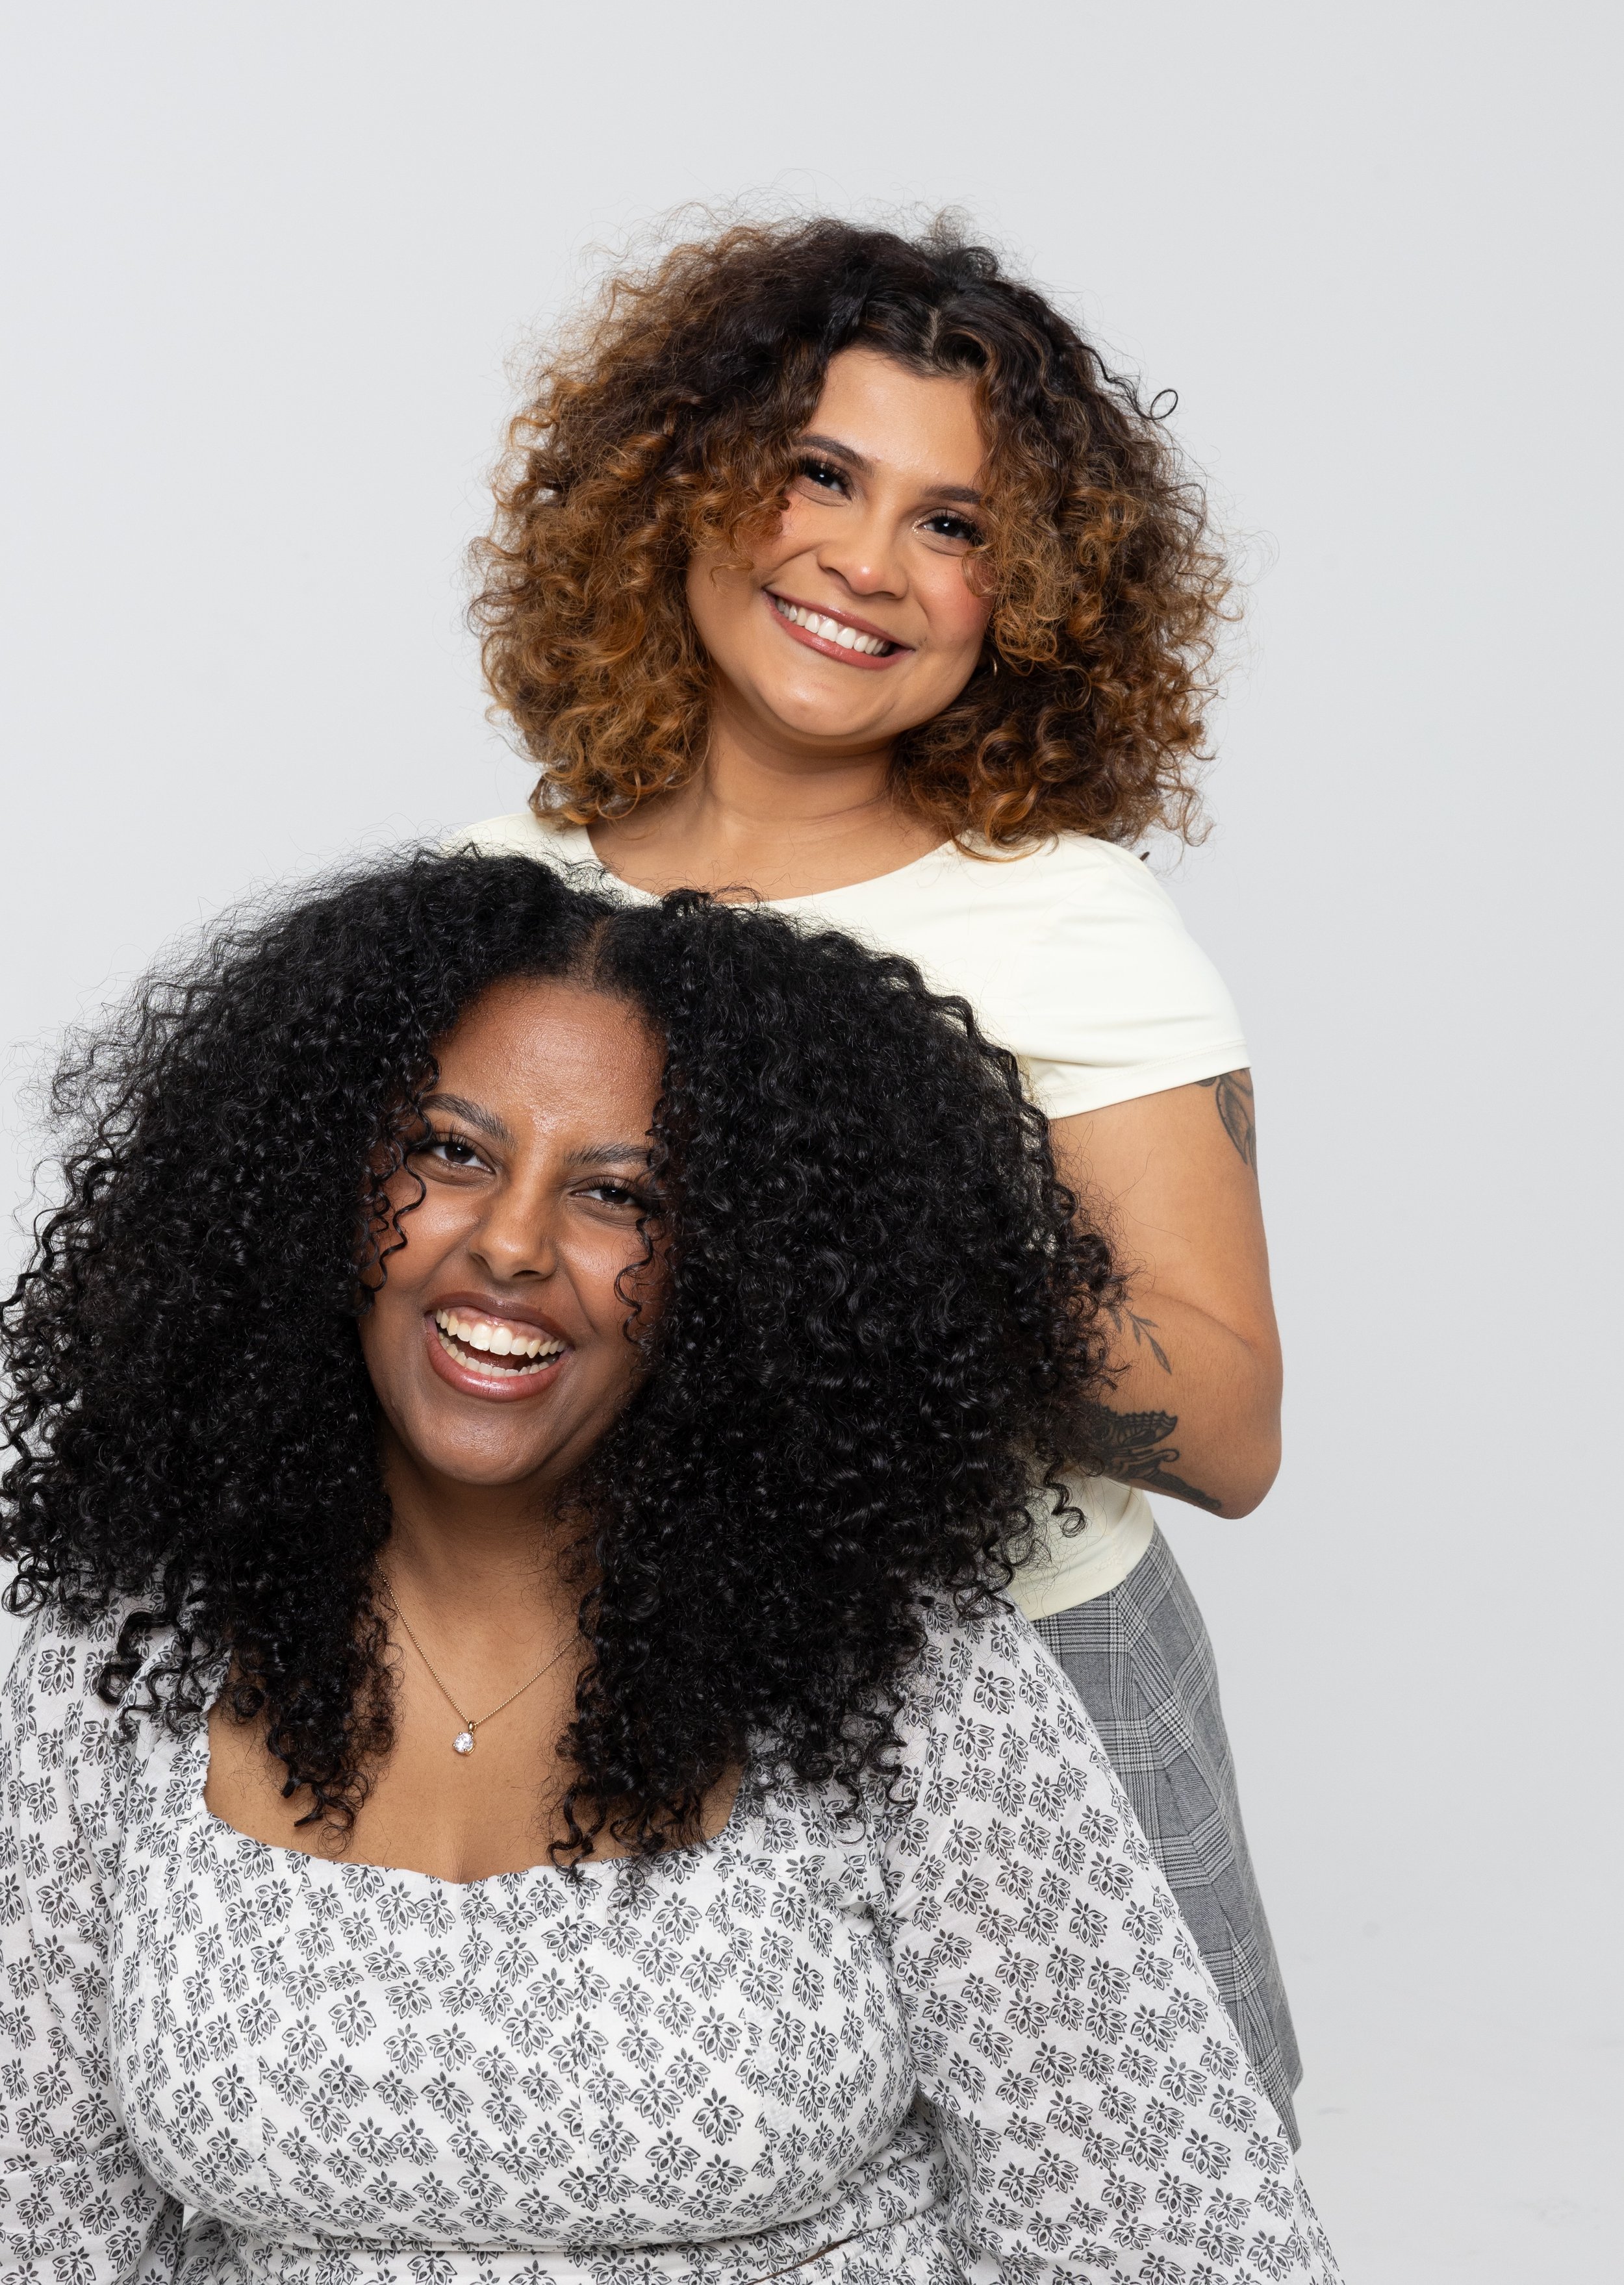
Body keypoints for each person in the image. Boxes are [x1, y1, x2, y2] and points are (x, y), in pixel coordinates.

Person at [0, 851, 1337, 2282]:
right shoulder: (120, 1665)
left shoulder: (906, 1675)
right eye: (451, 1153)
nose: (511, 1245)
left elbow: (1169, 2242)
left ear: (742, 1270)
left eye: (620, 1195)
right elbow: (39, 2229)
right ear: (310, 1178)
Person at [463, 215, 1302, 2132]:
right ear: (680, 486)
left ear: (1029, 597)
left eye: (955, 523)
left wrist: (860, 1230)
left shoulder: (1065, 923)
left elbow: (1232, 1428)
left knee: (1139, 2205)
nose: (865, 561)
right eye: (820, 473)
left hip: (1020, 1674)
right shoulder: (496, 892)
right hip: (599, 1666)